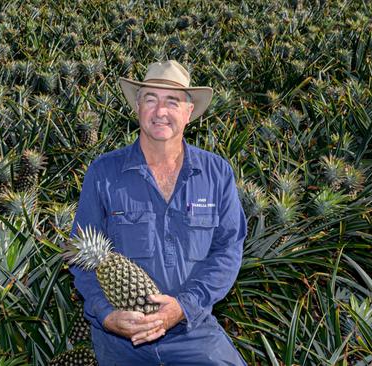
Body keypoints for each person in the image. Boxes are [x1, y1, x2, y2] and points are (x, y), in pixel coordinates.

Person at [69, 60, 247, 365]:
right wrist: (107, 315)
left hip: (192, 329)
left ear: (189, 112)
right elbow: (80, 256)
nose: (160, 111)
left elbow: (228, 251)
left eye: (172, 101)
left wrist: (182, 307)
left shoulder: (216, 173)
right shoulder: (104, 172)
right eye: (150, 99)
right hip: (122, 340)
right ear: (137, 107)